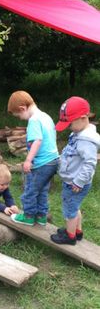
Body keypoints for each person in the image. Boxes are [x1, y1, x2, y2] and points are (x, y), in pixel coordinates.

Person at [50, 96, 100, 245]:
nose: (69, 127)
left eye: (70, 124)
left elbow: (90, 164)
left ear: (83, 118)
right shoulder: (78, 134)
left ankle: (69, 236)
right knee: (75, 207)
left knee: (69, 211)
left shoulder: (86, 141)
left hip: (75, 184)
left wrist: (78, 182)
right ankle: (77, 232)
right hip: (73, 181)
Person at [7, 90, 59, 226]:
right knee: (42, 190)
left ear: (22, 108)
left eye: (18, 115)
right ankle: (42, 216)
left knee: (30, 190)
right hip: (53, 161)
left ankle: (28, 216)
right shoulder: (46, 116)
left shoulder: (34, 120)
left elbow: (37, 140)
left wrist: (28, 160)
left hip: (41, 164)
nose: (20, 118)